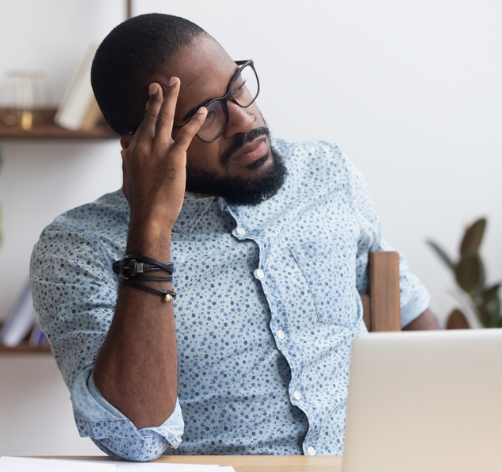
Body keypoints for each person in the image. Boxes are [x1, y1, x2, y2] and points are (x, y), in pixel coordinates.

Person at [30, 13, 438, 462]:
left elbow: (404, 308)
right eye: (204, 116)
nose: (244, 120)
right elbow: (135, 438)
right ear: (143, 143)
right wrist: (151, 227)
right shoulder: (78, 247)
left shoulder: (327, 172)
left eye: (237, 86)